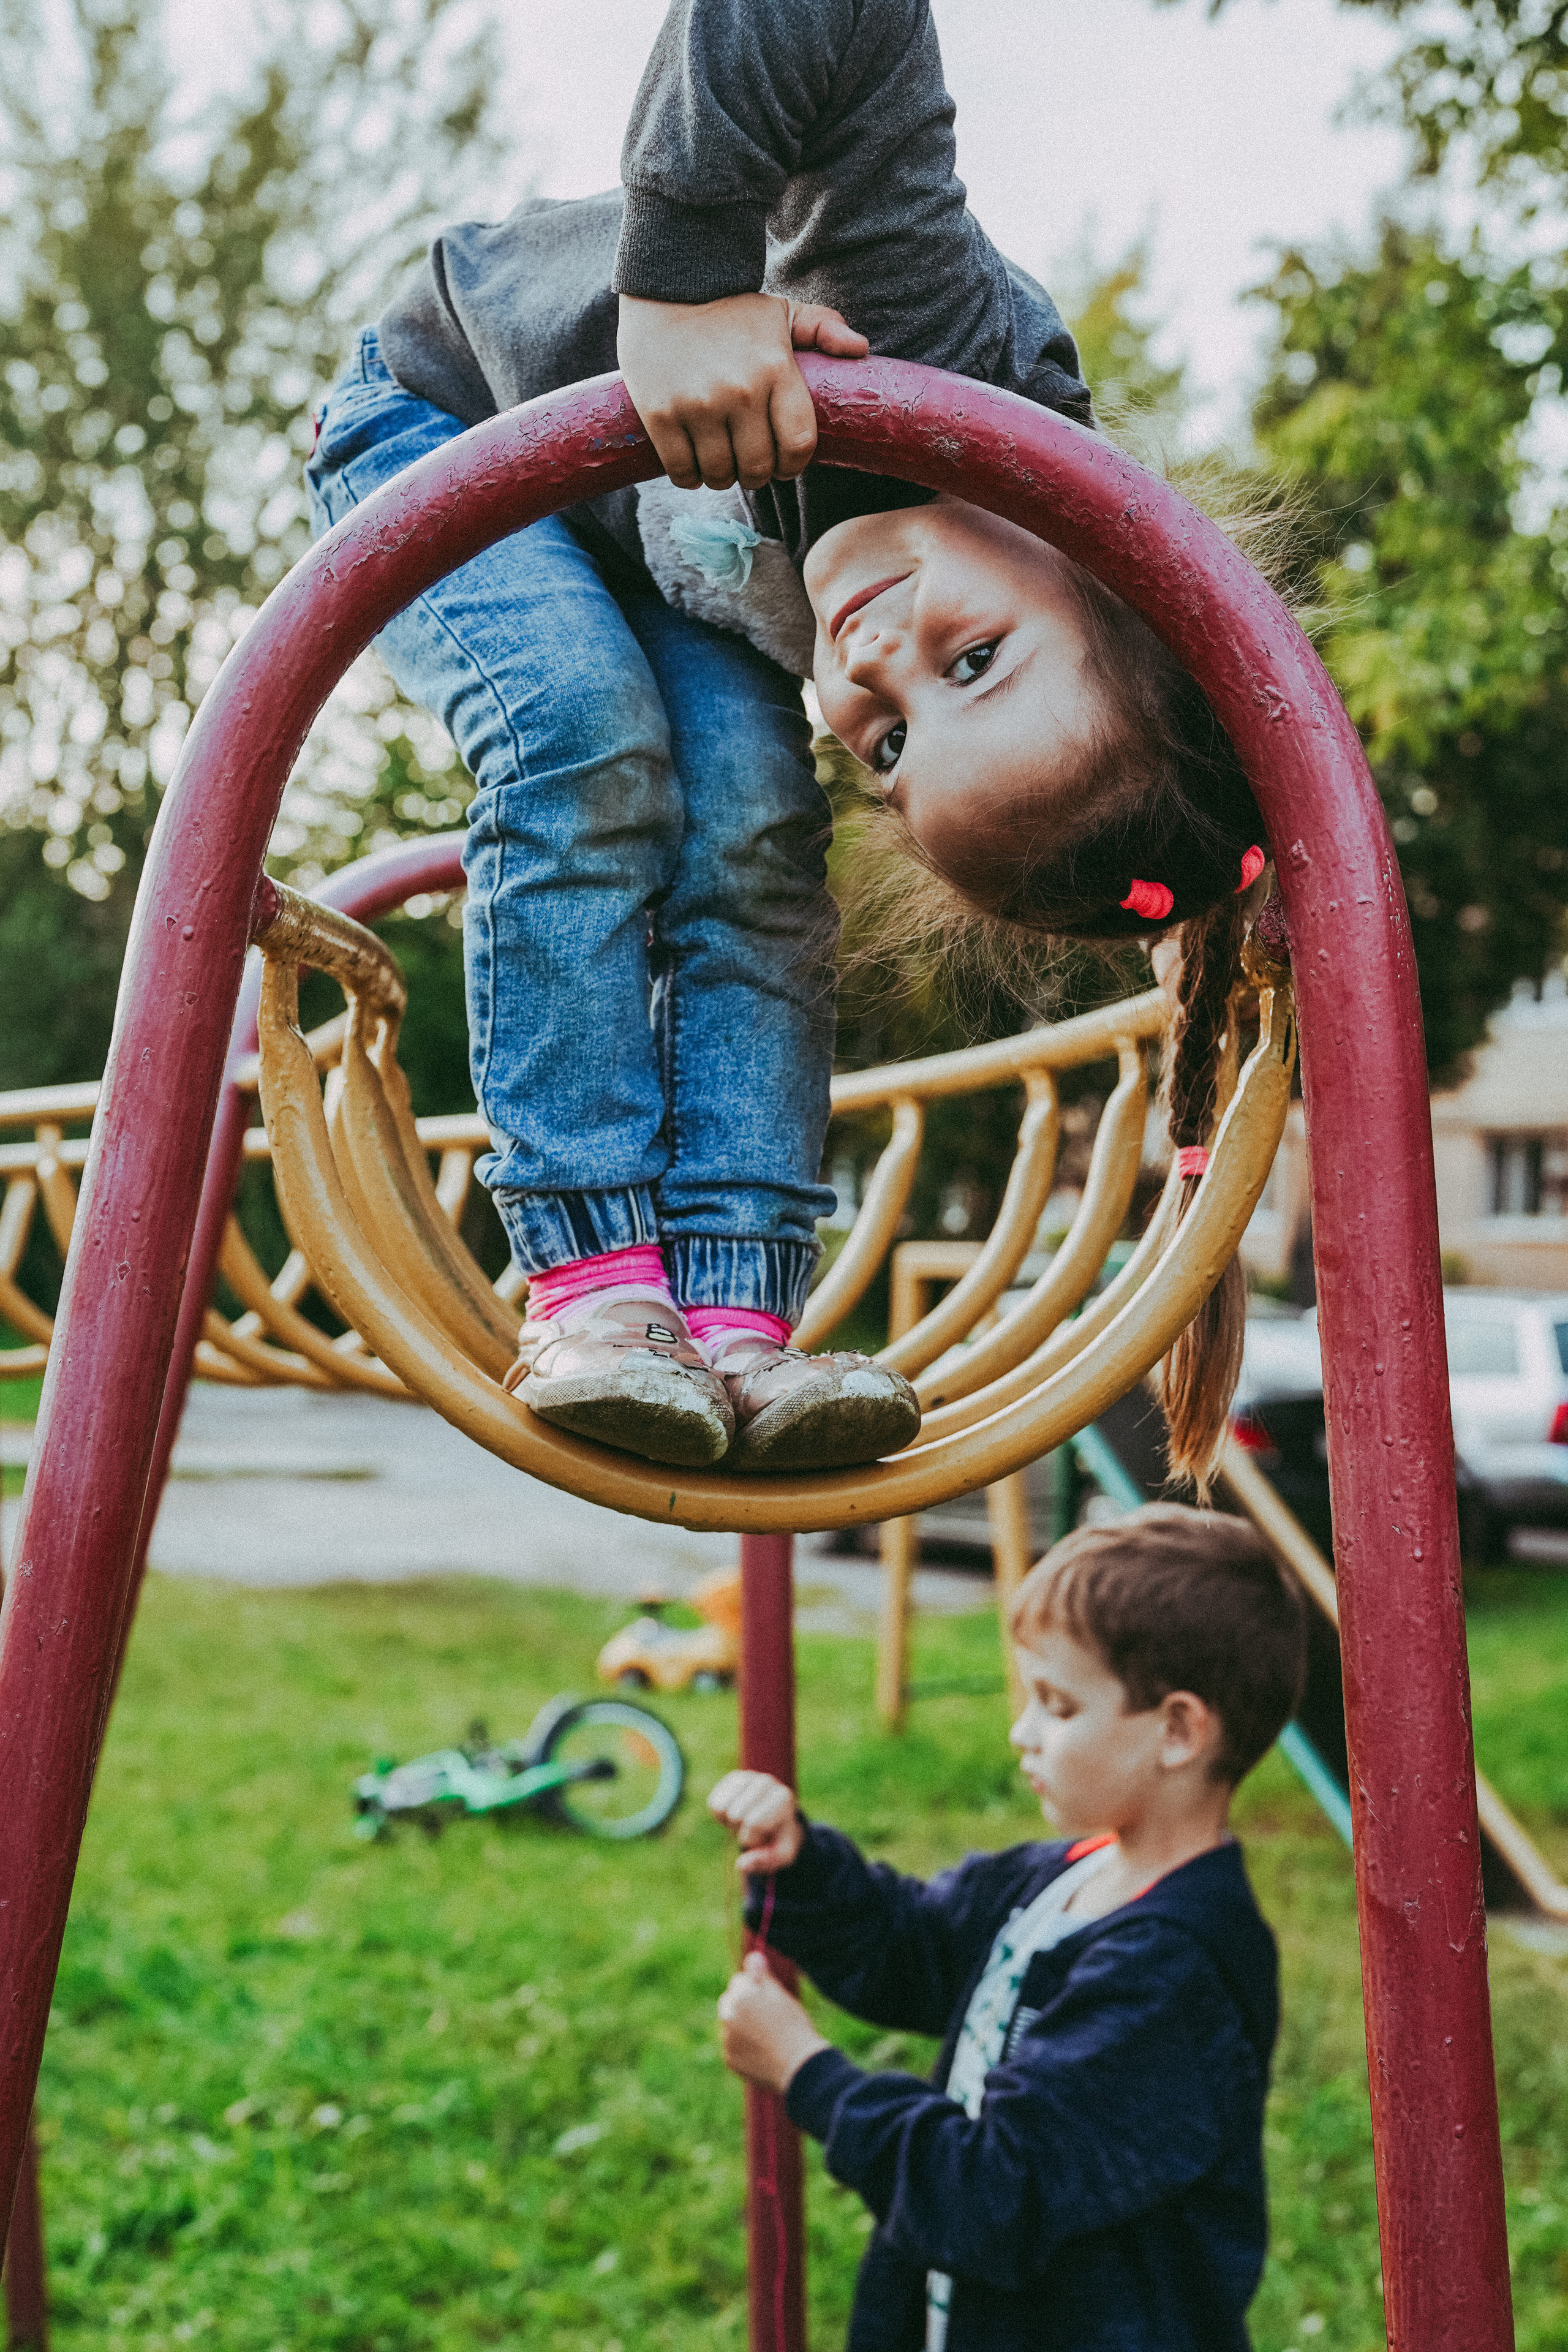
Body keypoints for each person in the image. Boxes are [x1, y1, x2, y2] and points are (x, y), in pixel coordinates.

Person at [306, 0, 1269, 1482]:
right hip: (444, 421)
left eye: (886, 749)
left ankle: (734, 1315)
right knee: (583, 740)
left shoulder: (859, 618)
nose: (878, 669)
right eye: (976, 658)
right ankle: (587, 1277)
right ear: (1091, 572)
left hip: (656, 554)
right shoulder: (937, 341)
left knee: (758, 841)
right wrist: (684, 278)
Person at [710, 1504, 1310, 2350]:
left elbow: (991, 2196)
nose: (1022, 1734)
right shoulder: (1059, 1879)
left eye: (1058, 1707)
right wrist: (800, 1865)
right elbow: (908, 1948)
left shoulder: (1174, 1972)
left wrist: (807, 2072)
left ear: (1178, 1730)